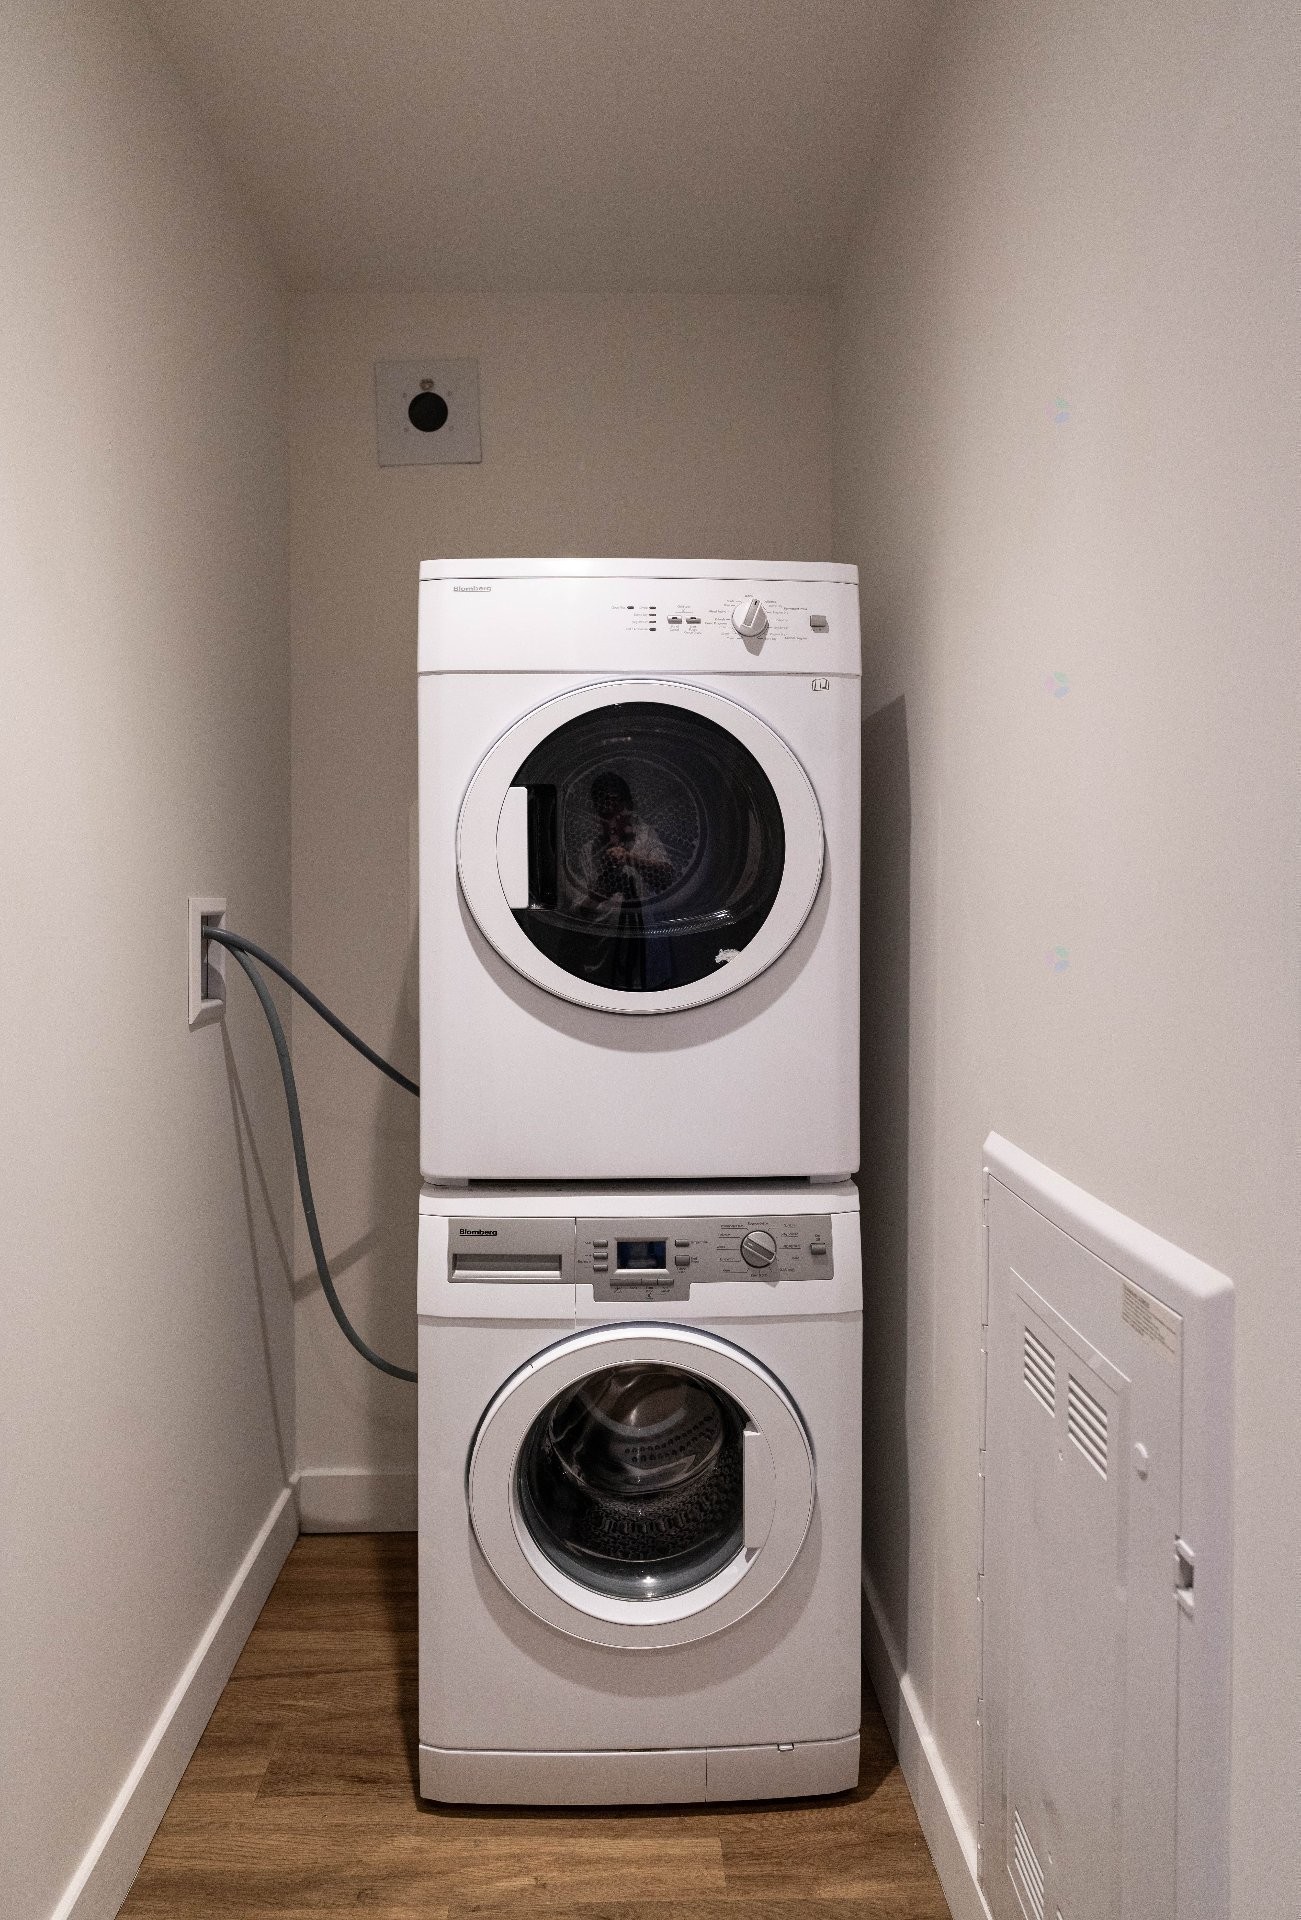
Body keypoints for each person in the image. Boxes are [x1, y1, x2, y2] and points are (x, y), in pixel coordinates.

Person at [571, 771, 674, 989]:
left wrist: (631, 859)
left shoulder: (645, 837)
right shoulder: (588, 852)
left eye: (616, 809)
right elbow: (578, 914)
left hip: (646, 953)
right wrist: (601, 892)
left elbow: (666, 877)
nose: (612, 819)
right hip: (604, 957)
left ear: (628, 808)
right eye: (604, 811)